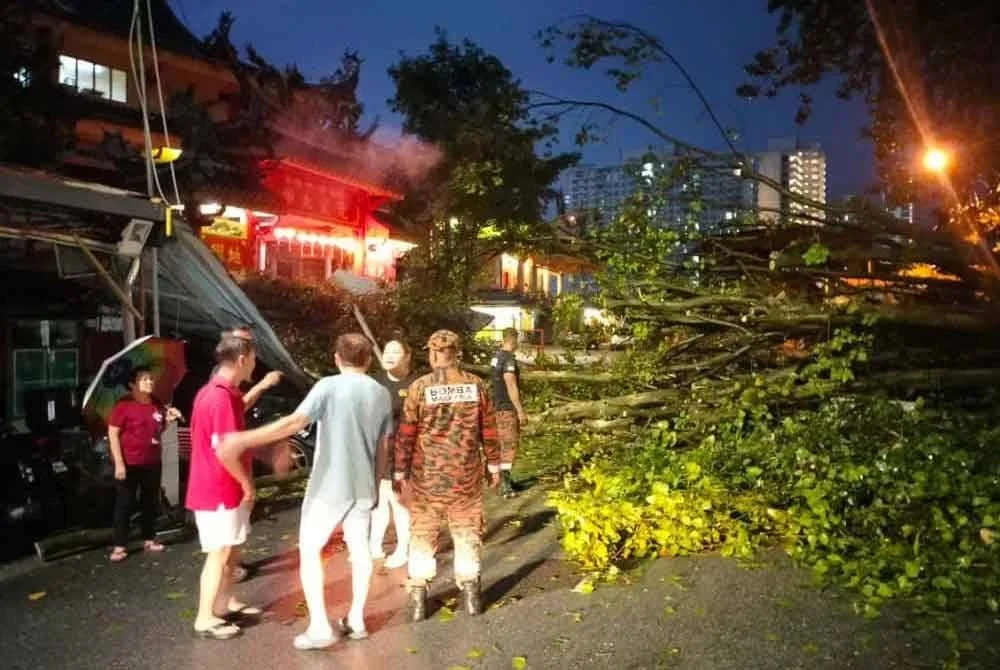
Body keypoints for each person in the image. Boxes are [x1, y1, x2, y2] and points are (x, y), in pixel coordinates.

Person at [217, 333, 392, 650]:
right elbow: (383, 446)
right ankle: (356, 619)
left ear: (337, 358)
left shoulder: (327, 386)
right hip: (364, 485)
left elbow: (294, 423)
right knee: (361, 550)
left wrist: (243, 440)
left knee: (311, 549)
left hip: (329, 485)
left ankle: (321, 626)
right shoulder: (380, 393)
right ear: (368, 360)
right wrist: (377, 482)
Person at [394, 329, 500, 621]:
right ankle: (470, 594)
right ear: (457, 353)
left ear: (432, 353)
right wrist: (494, 465)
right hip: (466, 475)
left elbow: (406, 433)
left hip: (427, 477)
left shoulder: (419, 387)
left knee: (423, 533)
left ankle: (418, 598)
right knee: (467, 531)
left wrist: (400, 470)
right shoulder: (476, 386)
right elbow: (489, 430)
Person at [185, 329, 264, 641]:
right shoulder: (217, 397)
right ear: (242, 359)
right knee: (218, 553)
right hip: (217, 488)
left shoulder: (222, 392)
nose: (255, 364)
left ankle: (226, 600)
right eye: (254, 359)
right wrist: (247, 484)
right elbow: (225, 450)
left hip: (225, 487)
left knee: (232, 550)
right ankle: (205, 616)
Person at [107, 367, 182, 562]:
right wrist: (119, 464)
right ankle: (119, 545)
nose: (150, 382)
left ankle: (149, 537)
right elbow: (113, 435)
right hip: (130, 462)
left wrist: (168, 420)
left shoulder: (156, 403)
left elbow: (158, 428)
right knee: (125, 502)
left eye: (151, 379)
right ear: (133, 384)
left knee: (150, 501)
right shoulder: (123, 405)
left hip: (152, 461)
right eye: (145, 379)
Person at [370, 339, 418, 569]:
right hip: (380, 450)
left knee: (400, 501)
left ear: (408, 356)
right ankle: (374, 545)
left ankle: (404, 548)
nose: (388, 355)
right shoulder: (375, 382)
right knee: (380, 499)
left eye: (395, 351)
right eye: (386, 350)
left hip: (407, 452)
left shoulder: (416, 383)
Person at [490, 327, 527, 498]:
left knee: (501, 445)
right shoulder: (509, 360)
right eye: (517, 340)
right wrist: (520, 411)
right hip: (507, 408)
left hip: (496, 407)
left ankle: (504, 480)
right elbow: (510, 384)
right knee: (509, 446)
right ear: (513, 340)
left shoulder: (496, 358)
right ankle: (505, 485)